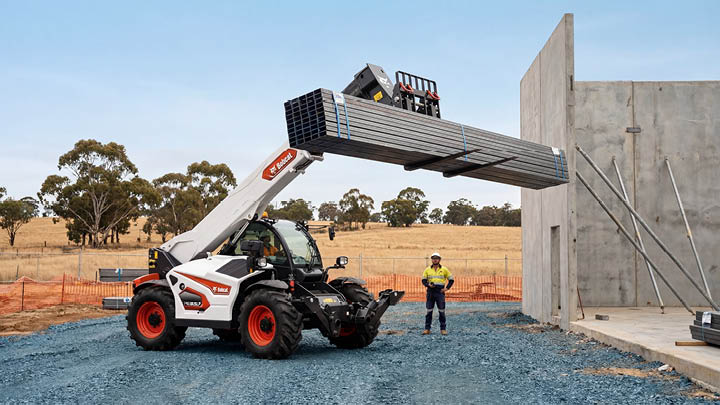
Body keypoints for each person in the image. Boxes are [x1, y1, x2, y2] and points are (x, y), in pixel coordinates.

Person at [421, 252, 454, 335]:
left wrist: (446, 289)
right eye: (433, 258)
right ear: (432, 260)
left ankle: (443, 329)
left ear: (439, 260)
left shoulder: (444, 269)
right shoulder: (427, 269)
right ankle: (427, 329)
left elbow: (451, 279)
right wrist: (428, 285)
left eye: (436, 258)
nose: (435, 260)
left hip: (440, 292)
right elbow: (423, 280)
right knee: (429, 311)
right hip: (430, 292)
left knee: (441, 311)